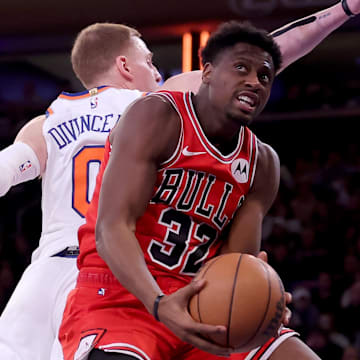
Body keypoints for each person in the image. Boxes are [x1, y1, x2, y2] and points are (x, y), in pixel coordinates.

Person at [0, 0, 359, 358]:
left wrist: (256, 294)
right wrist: (343, 10)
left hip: (59, 272)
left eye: (263, 76)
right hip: (114, 279)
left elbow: (7, 167)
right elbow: (275, 47)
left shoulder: (47, 122)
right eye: (150, 61)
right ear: (125, 65)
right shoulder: (158, 104)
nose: (157, 72)